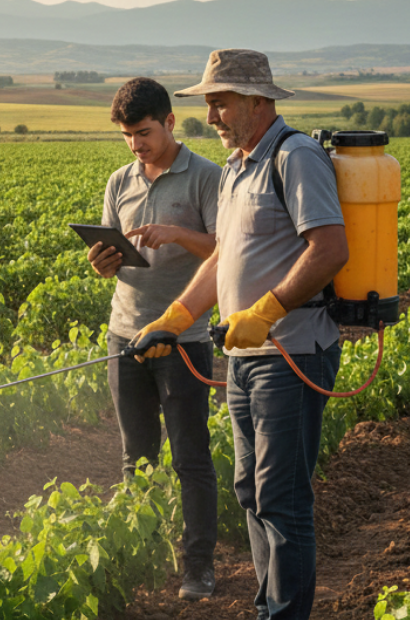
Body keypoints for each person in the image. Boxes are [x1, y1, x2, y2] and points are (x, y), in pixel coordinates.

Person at [133, 49, 349, 620]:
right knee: (251, 492)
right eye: (207, 103)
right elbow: (225, 256)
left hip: (291, 351)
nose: (211, 114)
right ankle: (267, 607)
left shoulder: (294, 155)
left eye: (221, 102)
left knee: (282, 499)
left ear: (258, 102)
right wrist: (175, 319)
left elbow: (329, 249)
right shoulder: (235, 166)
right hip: (245, 357)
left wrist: (268, 310)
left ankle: (285, 615)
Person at [86, 76, 221, 600]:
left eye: (143, 132)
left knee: (191, 458)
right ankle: (137, 558)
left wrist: (177, 234)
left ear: (169, 122)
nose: (136, 145)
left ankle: (198, 569)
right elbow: (109, 255)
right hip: (124, 334)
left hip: (183, 338)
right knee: (135, 457)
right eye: (127, 136)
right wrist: (102, 261)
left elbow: (225, 249)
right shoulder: (119, 181)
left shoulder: (206, 177)